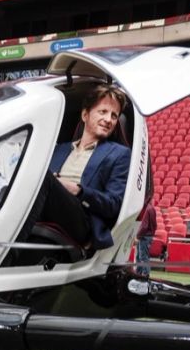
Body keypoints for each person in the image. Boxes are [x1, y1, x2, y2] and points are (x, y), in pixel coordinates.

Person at [36, 84, 131, 250]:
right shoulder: (58, 149)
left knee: (41, 179)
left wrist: (78, 190)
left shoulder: (120, 154)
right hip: (47, 206)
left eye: (114, 116)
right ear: (85, 115)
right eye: (103, 112)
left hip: (82, 219)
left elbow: (114, 204)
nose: (109, 120)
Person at [136, 200, 156, 277]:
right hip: (147, 236)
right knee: (140, 256)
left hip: (144, 236)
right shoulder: (151, 208)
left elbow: (144, 226)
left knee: (142, 257)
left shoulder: (146, 209)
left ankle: (145, 275)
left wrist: (138, 237)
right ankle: (138, 274)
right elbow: (155, 225)